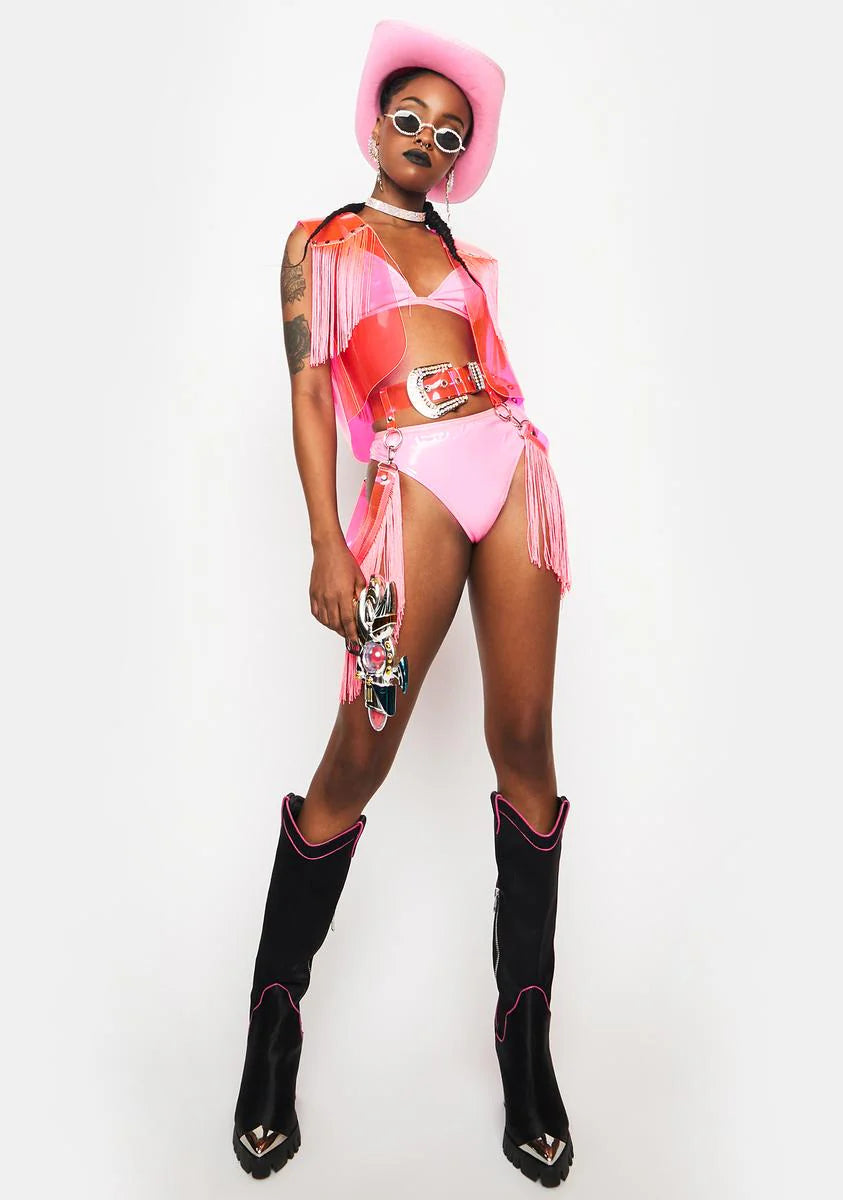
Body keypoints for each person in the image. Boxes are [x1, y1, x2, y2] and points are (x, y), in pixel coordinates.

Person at [232, 18, 576, 1187]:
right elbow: (312, 398)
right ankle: (274, 1020)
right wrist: (327, 543)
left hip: (510, 471)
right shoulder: (320, 245)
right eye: (412, 117)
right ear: (377, 124)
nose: (429, 137)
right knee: (361, 752)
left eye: (451, 132)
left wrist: (522, 464)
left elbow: (497, 376)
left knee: (525, 739)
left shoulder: (470, 264)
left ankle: (524, 1036)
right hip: (409, 489)